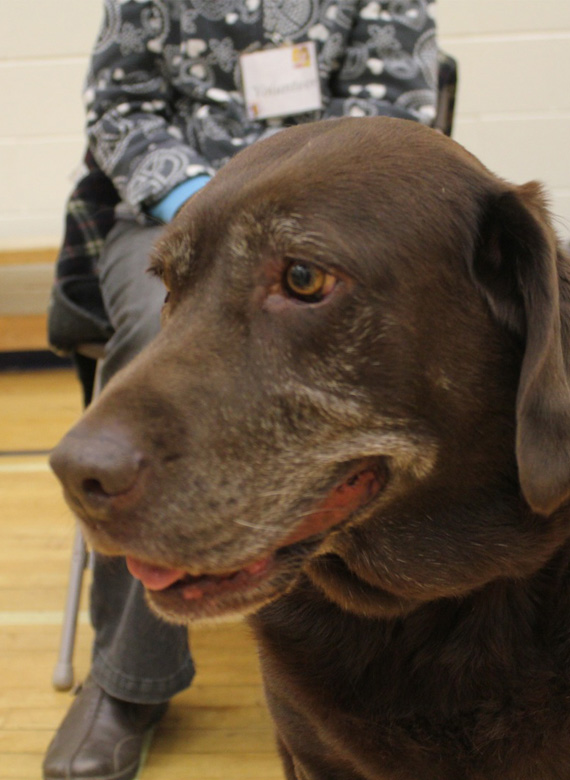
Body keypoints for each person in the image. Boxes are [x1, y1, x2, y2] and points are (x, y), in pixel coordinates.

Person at [43, 2, 438, 778]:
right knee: (153, 344)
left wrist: (285, 223)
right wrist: (204, 202)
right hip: (177, 218)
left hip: (328, 225)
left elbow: (395, 113)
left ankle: (392, 672)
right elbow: (121, 109)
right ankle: (130, 683)